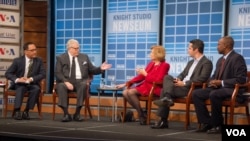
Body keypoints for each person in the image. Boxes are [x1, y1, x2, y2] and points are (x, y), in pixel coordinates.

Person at [151, 39, 213, 129]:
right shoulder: (190, 62)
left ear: (196, 49)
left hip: (192, 88)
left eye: (189, 48)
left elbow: (202, 78)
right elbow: (183, 74)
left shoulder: (206, 62)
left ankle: (163, 119)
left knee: (164, 90)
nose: (188, 50)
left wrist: (184, 83)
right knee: (167, 77)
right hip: (182, 86)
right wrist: (178, 79)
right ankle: (167, 98)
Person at [192, 36, 247, 134]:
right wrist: (212, 82)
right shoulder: (220, 60)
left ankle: (218, 125)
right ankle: (206, 122)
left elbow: (241, 79)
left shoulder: (237, 58)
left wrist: (221, 82)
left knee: (215, 94)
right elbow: (214, 76)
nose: (217, 47)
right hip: (219, 88)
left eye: (218, 44)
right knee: (197, 93)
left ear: (226, 46)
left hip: (234, 90)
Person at [55, 39, 112, 122]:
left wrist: (100, 68)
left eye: (78, 48)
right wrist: (66, 82)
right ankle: (66, 113)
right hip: (66, 81)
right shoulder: (61, 58)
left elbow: (92, 70)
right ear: (69, 48)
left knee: (83, 85)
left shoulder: (84, 57)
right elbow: (58, 73)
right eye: (75, 48)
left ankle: (77, 113)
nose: (78, 50)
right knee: (61, 86)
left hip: (80, 81)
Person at [116, 45, 170, 125]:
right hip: (145, 86)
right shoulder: (151, 64)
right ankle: (141, 113)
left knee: (130, 92)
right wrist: (126, 83)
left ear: (157, 54)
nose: (150, 54)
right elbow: (141, 77)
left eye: (152, 52)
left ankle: (142, 115)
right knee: (125, 92)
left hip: (155, 88)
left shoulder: (165, 65)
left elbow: (158, 80)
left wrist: (145, 73)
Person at [5, 42, 46, 120]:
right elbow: (8, 73)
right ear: (26, 51)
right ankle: (17, 111)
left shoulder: (39, 60)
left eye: (35, 50)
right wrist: (18, 79)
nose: (35, 52)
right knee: (21, 88)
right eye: (32, 50)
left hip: (32, 83)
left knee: (36, 89)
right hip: (20, 84)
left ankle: (26, 111)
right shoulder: (18, 61)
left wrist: (31, 79)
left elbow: (43, 74)